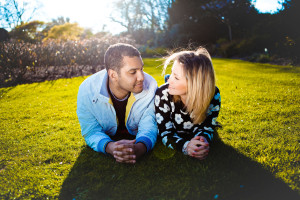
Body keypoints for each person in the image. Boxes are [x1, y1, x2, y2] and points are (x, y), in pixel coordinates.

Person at [77, 43, 158, 164]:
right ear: (113, 75)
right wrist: (110, 148)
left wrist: (140, 147)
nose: (141, 77)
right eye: (133, 72)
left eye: (141, 69)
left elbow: (150, 124)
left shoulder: (150, 85)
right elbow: (91, 130)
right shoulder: (87, 90)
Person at [154, 47, 221, 160]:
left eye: (176, 77)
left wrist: (201, 141)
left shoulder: (213, 94)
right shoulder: (163, 94)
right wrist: (185, 147)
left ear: (195, 84)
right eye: (171, 73)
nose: (169, 80)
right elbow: (165, 132)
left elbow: (208, 127)